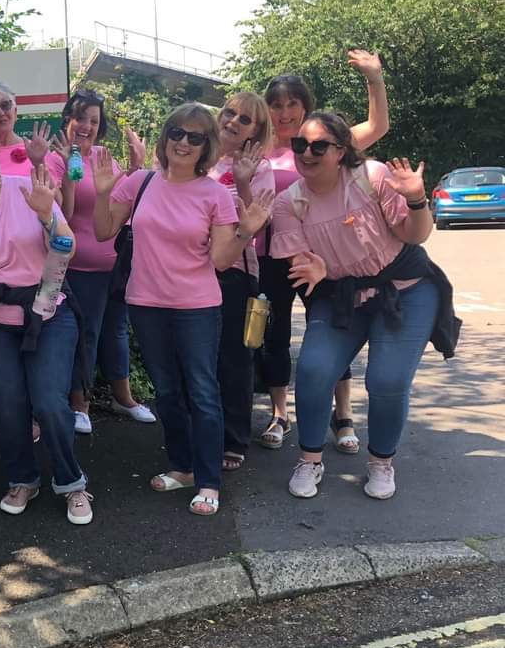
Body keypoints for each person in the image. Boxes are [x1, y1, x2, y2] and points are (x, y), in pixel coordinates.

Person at [93, 104, 272, 516]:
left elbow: (223, 259)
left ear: (207, 145)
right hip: (145, 303)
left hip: (197, 306)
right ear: (166, 136)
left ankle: (209, 479)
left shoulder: (213, 193)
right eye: (177, 132)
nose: (184, 142)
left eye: (195, 137)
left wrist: (248, 229)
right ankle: (182, 466)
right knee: (167, 392)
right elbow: (104, 231)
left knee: (203, 393)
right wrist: (104, 191)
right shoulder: (140, 182)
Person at [272, 112, 451, 501]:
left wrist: (417, 199)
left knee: (386, 380)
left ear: (341, 151)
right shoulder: (289, 202)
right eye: (300, 145)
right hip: (341, 296)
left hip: (405, 290)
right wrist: (314, 266)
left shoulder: (371, 176)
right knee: (314, 370)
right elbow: (298, 261)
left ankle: (381, 462)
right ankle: (310, 459)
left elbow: (414, 235)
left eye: (319, 145)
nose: (307, 152)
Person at [0, 119, 95, 525]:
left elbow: (66, 250)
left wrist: (48, 217)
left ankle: (72, 483)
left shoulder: (28, 189)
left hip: (51, 312)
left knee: (48, 402)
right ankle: (23, 478)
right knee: (8, 406)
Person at [257, 51, 390, 452]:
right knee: (274, 335)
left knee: (332, 330)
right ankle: (280, 415)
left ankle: (343, 414)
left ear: (304, 106)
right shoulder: (257, 148)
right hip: (272, 256)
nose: (284, 113)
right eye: (276, 105)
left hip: (326, 259)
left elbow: (379, 125)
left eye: (291, 104)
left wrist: (373, 78)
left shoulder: (326, 141)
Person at [48, 89, 154, 434]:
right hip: (79, 267)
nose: (87, 126)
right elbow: (59, 215)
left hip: (116, 265)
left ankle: (123, 398)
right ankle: (80, 405)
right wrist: (68, 169)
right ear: (68, 119)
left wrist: (137, 167)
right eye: (81, 118)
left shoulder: (105, 156)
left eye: (94, 120)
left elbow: (126, 201)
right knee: (86, 334)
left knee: (117, 330)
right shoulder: (54, 159)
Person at [208, 93, 275, 471]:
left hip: (234, 269)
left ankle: (234, 437)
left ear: (257, 130)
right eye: (230, 112)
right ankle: (202, 430)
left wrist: (245, 183)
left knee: (233, 358)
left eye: (244, 119)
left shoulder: (259, 167)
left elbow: (258, 222)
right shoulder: (201, 156)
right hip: (191, 268)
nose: (233, 121)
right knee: (200, 356)